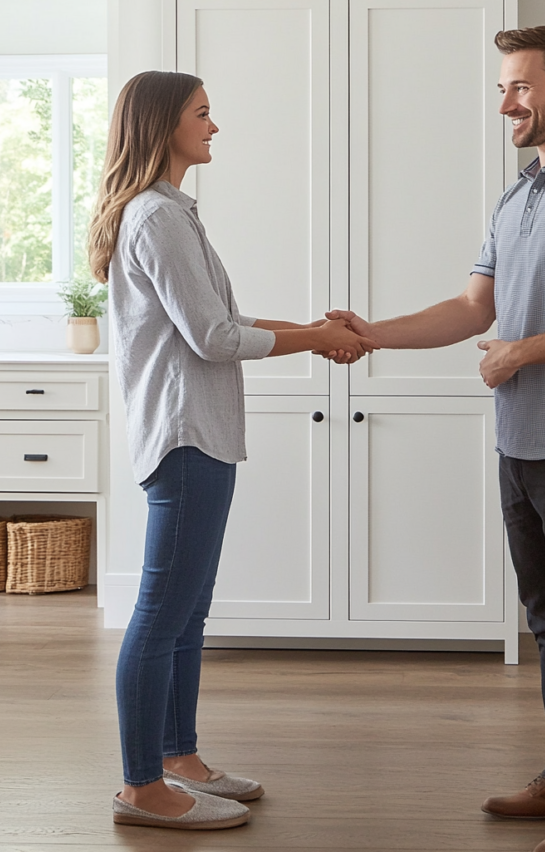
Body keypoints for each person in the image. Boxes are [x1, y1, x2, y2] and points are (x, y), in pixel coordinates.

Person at [327, 26, 545, 852]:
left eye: (519, 86)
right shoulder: (519, 195)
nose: (506, 103)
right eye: (502, 89)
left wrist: (524, 350)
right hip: (519, 439)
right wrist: (372, 333)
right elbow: (472, 310)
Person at [88, 70, 374, 831]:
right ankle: (142, 786)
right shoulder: (158, 219)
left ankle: (178, 758)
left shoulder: (168, 214)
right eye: (202, 114)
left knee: (187, 612)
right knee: (161, 614)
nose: (214, 127)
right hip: (186, 435)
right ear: (163, 125)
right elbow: (214, 339)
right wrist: (316, 339)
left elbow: (224, 318)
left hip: (196, 433)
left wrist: (317, 335)